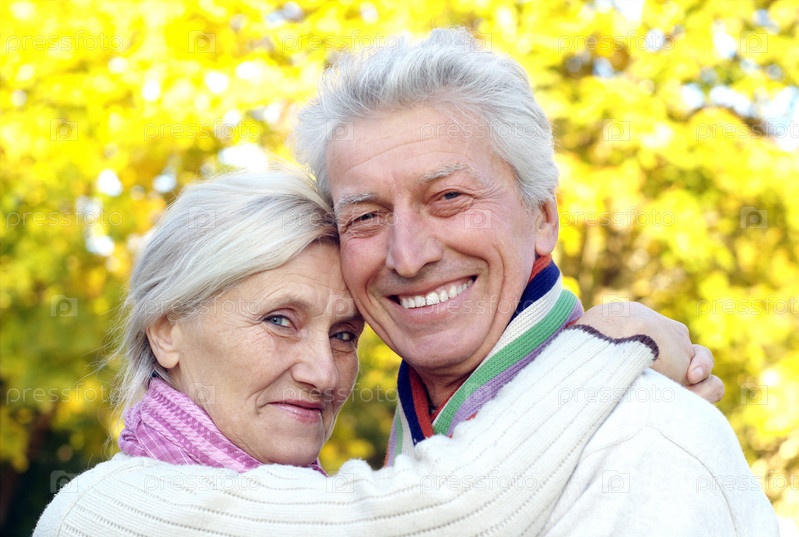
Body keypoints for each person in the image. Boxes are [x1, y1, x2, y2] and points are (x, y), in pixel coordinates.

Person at [290, 27, 777, 535]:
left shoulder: (642, 442)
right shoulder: (415, 444)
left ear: (543, 217)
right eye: (366, 216)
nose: (408, 257)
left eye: (450, 197)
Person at [37, 168, 701, 536]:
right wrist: (608, 344)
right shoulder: (108, 510)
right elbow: (447, 507)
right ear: (167, 330)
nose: (322, 372)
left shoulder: (292, 502)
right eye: (279, 319)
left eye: (344, 334)